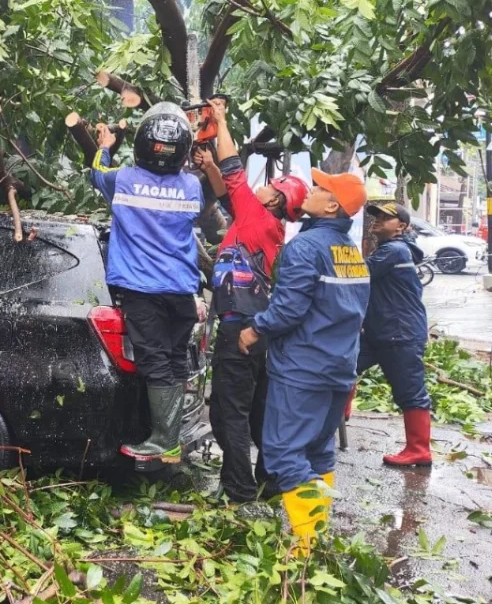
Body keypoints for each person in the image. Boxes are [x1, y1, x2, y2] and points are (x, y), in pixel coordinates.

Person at [238, 169, 369, 555]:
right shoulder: (352, 253)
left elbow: (288, 310)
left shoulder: (306, 247)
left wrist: (255, 329)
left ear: (331, 205)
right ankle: (315, 536)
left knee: (282, 452)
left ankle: (307, 543)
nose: (310, 190)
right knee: (318, 449)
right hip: (338, 368)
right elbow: (359, 314)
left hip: (302, 369)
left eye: (320, 188)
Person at [193, 100, 308, 503]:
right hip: (253, 323)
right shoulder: (257, 220)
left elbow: (234, 173)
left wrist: (221, 121)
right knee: (254, 409)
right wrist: (207, 165)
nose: (263, 184)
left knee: (230, 414)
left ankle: (238, 489)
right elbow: (228, 193)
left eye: (271, 186)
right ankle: (267, 478)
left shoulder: (259, 216)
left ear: (276, 200)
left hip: (241, 324)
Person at [90, 103, 203, 466]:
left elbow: (96, 173)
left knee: (154, 362)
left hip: (144, 290)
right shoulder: (192, 187)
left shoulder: (121, 180)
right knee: (174, 357)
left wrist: (105, 144)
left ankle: (163, 441)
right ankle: (175, 430)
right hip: (182, 291)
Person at [356, 202, 432, 466]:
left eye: (385, 217)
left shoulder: (395, 251)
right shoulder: (392, 249)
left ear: (401, 226)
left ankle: (419, 450)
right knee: (342, 368)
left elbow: (357, 274)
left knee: (410, 391)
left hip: (400, 333)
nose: (377, 220)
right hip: (380, 331)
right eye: (376, 216)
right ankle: (332, 422)